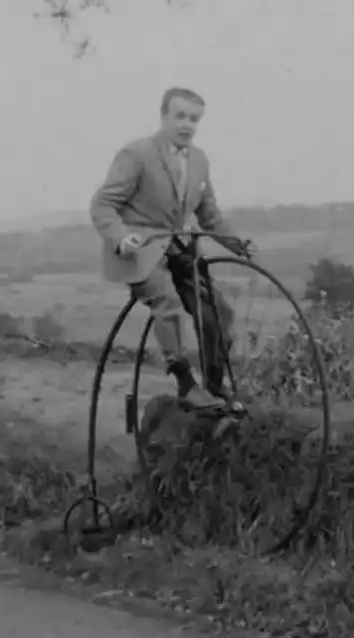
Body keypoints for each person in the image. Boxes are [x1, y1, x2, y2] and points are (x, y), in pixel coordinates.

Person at [90, 87, 251, 410]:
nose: (187, 125)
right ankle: (186, 384)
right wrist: (121, 237)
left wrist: (239, 246)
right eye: (180, 116)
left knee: (218, 313)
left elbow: (209, 216)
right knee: (168, 304)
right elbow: (102, 205)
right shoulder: (137, 154)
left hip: (181, 250)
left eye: (194, 119)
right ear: (163, 116)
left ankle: (215, 389)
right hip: (142, 253)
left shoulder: (199, 161)